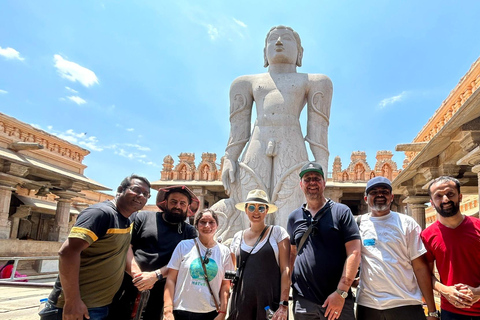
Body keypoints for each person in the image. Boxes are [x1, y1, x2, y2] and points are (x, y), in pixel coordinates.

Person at [214, 25, 333, 231]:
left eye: (286, 38)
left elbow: (318, 127)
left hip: (291, 143)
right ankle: (248, 255)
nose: (278, 42)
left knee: (291, 206)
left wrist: (321, 164)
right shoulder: (244, 82)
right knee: (252, 204)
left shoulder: (315, 81)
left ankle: (289, 256)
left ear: (299, 53)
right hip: (257, 143)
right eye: (272, 39)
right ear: (264, 53)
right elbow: (238, 126)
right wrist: (229, 157)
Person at [40, 174, 151, 320]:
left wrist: (136, 273)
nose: (140, 196)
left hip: (101, 305)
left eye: (146, 194)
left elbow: (124, 247)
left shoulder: (128, 218)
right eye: (136, 190)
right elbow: (67, 253)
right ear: (120, 190)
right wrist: (72, 301)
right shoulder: (100, 214)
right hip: (78, 307)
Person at [108, 185, 199, 320]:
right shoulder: (143, 218)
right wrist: (137, 275)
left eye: (182, 203)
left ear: (188, 207)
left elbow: (184, 262)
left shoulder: (189, 232)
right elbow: (126, 246)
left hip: (161, 289)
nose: (177, 206)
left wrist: (155, 276)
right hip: (129, 282)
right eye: (173, 202)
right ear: (165, 202)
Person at [355, 176, 438, 319]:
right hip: (369, 305)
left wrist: (432, 310)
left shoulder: (407, 223)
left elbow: (419, 267)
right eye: (374, 192)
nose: (380, 194)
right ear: (365, 198)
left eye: (384, 191)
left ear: (391, 197)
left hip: (405, 303)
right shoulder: (357, 224)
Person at [287, 162, 361, 320]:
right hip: (304, 301)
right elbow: (293, 254)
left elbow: (354, 252)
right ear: (301, 184)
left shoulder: (341, 212)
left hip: (337, 298)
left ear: (324, 183)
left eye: (316, 178)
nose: (312, 182)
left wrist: (341, 292)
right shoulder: (294, 217)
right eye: (307, 179)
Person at [421, 176, 480, 319]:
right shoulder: (427, 236)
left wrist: (478, 292)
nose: (445, 199)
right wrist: (446, 290)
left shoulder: (478, 227)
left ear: (460, 196)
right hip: (452, 312)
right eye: (439, 196)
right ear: (431, 202)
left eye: (450, 194)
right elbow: (425, 274)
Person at [228, 189, 291, 320]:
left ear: (266, 211)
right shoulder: (237, 237)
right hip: (241, 303)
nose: (256, 212)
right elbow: (233, 269)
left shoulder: (277, 233)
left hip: (269, 303)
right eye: (251, 207)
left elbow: (285, 270)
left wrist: (283, 304)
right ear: (246, 210)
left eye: (261, 208)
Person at [163, 209, 233, 320]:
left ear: (217, 225)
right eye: (202, 222)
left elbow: (225, 285)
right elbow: (171, 279)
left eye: (211, 222)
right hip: (181, 311)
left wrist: (223, 312)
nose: (207, 225)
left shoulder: (224, 252)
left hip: (210, 312)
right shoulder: (183, 246)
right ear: (196, 225)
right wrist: (167, 310)